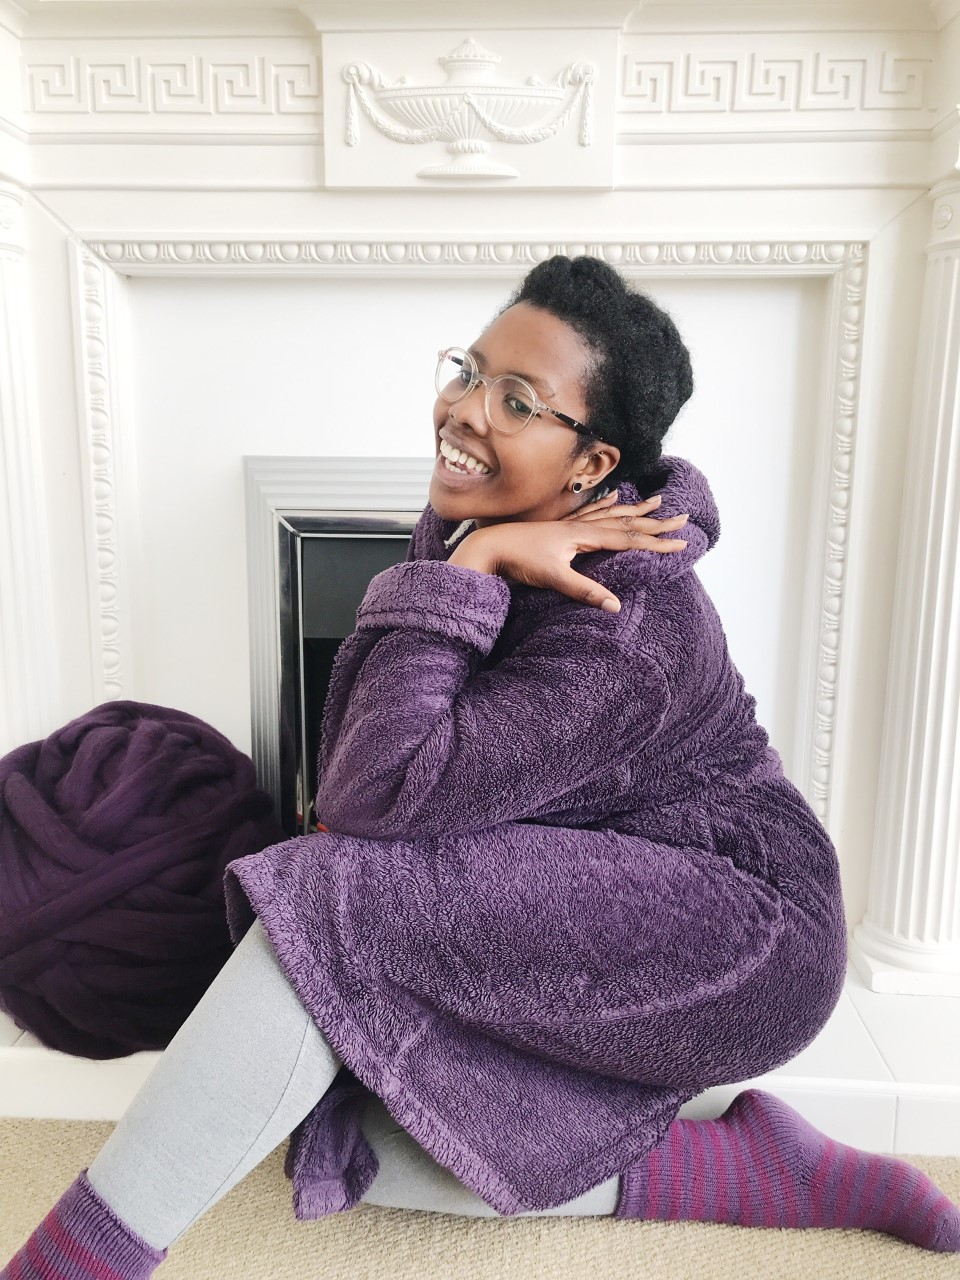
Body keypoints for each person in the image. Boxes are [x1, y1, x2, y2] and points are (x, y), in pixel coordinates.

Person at [4, 256, 958, 1280]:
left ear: (590, 466)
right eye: (469, 370)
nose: (463, 409)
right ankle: (737, 1168)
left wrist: (466, 571)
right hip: (606, 876)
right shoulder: (484, 516)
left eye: (515, 398)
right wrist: (473, 557)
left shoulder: (626, 621)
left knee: (333, 908)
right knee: (337, 1113)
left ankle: (70, 1265)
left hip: (746, 929)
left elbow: (370, 801)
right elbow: (369, 769)